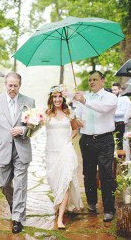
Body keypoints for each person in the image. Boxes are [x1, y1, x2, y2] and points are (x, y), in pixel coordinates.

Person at [0, 72, 35, 234]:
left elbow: (34, 124)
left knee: (20, 184)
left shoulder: (29, 101)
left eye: (15, 85)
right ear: (5, 85)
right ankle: (14, 204)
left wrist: (23, 129)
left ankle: (17, 217)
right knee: (4, 184)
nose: (12, 88)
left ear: (20, 85)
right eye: (10, 85)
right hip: (1, 148)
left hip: (21, 148)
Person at [74, 70, 117, 222]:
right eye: (90, 79)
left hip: (104, 140)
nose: (91, 82)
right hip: (86, 139)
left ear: (102, 81)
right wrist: (77, 119)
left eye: (95, 79)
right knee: (88, 173)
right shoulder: (83, 98)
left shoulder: (110, 97)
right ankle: (92, 202)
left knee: (106, 175)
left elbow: (103, 109)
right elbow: (78, 116)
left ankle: (109, 209)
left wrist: (84, 101)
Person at [45, 85, 83, 229]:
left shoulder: (69, 113)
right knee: (55, 182)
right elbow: (34, 127)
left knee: (65, 181)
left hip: (65, 151)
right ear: (51, 98)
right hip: (51, 153)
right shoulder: (46, 114)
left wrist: (70, 139)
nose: (57, 99)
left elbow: (75, 129)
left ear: (63, 98)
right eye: (55, 96)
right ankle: (60, 205)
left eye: (60, 96)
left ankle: (60, 219)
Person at [112, 83, 127, 149]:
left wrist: (111, 113)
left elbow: (122, 113)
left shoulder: (123, 99)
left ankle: (121, 158)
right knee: (111, 142)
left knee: (120, 143)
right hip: (112, 124)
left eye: (115, 90)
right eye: (112, 90)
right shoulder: (111, 99)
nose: (113, 92)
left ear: (119, 90)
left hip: (120, 123)